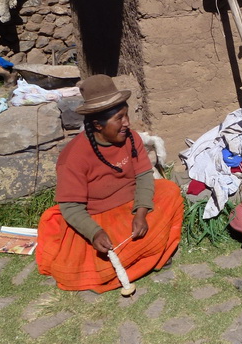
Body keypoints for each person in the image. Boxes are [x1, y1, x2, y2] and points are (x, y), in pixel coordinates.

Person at [36, 75, 184, 293]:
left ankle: (149, 251)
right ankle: (151, 252)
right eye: (119, 118)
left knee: (169, 191)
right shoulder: (73, 157)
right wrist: (95, 233)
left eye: (126, 115)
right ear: (98, 125)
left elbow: (144, 176)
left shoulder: (131, 139)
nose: (127, 123)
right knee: (96, 267)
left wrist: (141, 212)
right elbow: (71, 206)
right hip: (99, 217)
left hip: (133, 207)